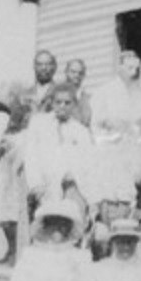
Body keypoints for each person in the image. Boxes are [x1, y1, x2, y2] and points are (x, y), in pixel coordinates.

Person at [0, 50, 59, 265]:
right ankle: (13, 249)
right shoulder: (23, 95)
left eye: (48, 65)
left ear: (54, 67)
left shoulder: (60, 93)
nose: (44, 68)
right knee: (6, 187)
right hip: (23, 146)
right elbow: (13, 123)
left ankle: (42, 251)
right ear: (34, 67)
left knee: (43, 198)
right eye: (39, 64)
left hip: (48, 146)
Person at [23, 83, 94, 218]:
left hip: (72, 187)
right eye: (58, 102)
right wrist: (36, 184)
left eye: (67, 103)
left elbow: (88, 162)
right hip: (44, 187)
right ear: (52, 103)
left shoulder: (81, 131)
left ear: (74, 105)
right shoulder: (39, 124)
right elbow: (31, 157)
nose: (62, 106)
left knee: (71, 221)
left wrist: (75, 180)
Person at [89, 50, 141, 142]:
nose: (134, 73)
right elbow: (94, 125)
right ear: (119, 68)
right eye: (130, 68)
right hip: (112, 146)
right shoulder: (104, 92)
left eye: (137, 69)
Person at [64, 58, 93, 126]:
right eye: (73, 72)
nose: (77, 75)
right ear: (66, 72)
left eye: (80, 73)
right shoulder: (58, 94)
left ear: (84, 75)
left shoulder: (88, 98)